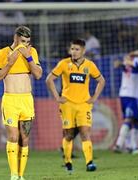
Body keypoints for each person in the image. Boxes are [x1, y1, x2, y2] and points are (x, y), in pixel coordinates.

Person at [46, 39, 105, 173]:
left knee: (85, 133)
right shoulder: (64, 64)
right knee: (69, 135)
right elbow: (49, 79)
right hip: (68, 105)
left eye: (77, 49)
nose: (74, 52)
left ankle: (89, 163)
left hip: (84, 105)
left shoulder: (89, 65)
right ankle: (68, 162)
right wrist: (57, 97)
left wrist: (94, 97)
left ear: (83, 51)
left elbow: (101, 80)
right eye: (72, 49)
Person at [0, 26, 42, 180]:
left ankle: (21, 175)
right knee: (13, 137)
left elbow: (39, 75)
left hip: (26, 99)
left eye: (27, 42)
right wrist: (9, 63)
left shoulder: (32, 52)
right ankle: (13, 175)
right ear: (15, 38)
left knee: (24, 138)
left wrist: (29, 58)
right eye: (22, 41)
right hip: (10, 100)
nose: (24, 45)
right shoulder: (2, 53)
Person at [113, 41, 138, 153]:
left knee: (136, 121)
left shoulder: (126, 62)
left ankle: (132, 146)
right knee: (129, 119)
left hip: (124, 95)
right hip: (133, 96)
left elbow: (119, 64)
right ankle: (119, 144)